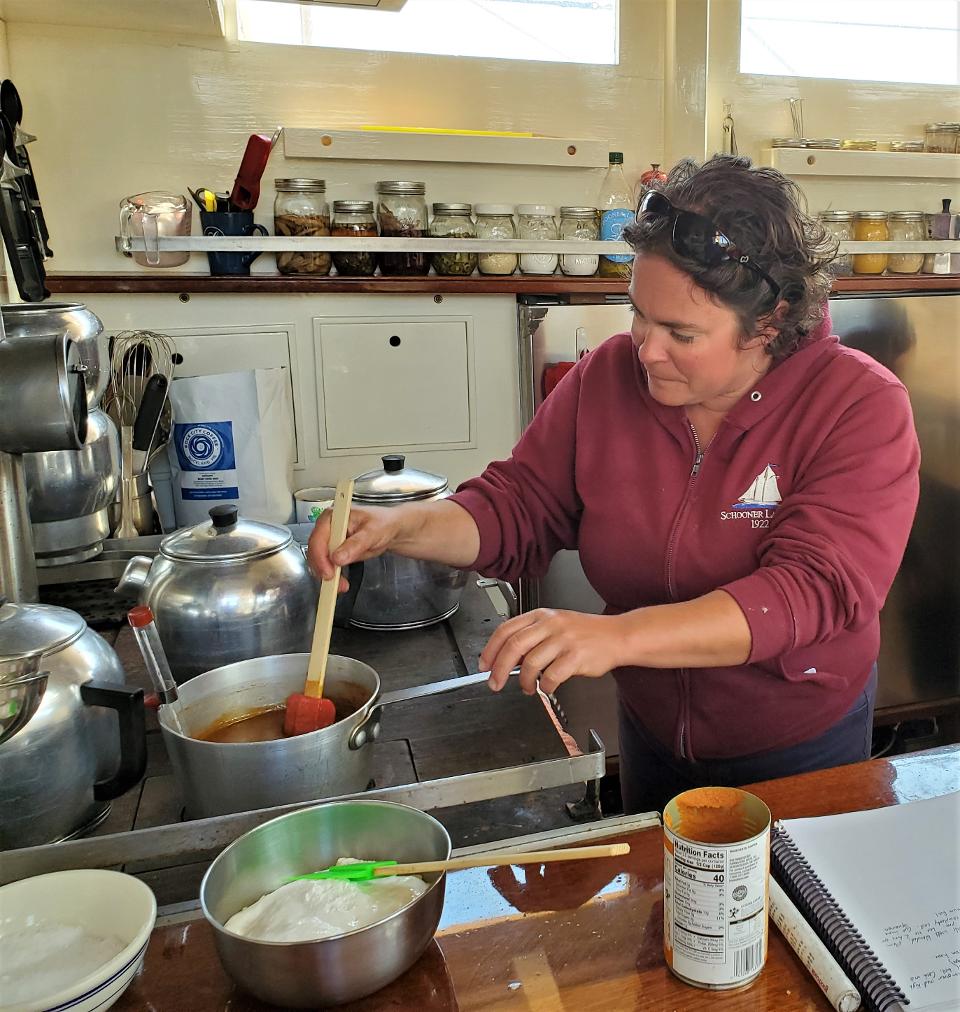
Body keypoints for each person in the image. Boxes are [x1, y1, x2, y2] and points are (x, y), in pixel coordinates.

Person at [309, 155, 920, 814]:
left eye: (681, 333)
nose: (646, 348)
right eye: (639, 315)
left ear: (768, 323)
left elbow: (812, 590)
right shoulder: (606, 377)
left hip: (796, 748)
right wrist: (403, 526)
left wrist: (616, 637)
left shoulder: (858, 404)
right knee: (661, 909)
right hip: (653, 736)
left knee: (779, 915)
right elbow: (522, 505)